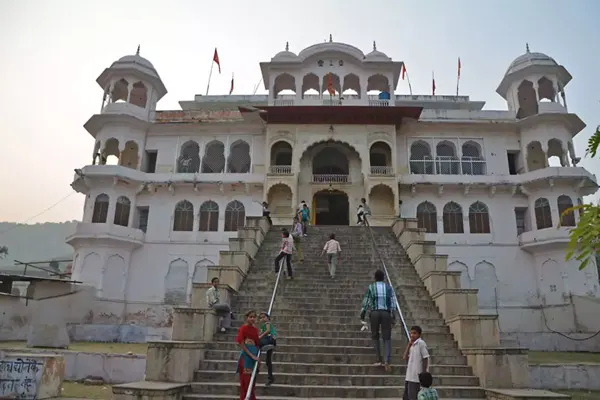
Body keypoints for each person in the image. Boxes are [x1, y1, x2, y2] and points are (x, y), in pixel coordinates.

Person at [360, 269, 397, 372]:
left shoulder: (371, 287)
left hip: (374, 313)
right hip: (386, 313)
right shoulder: (389, 287)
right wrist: (393, 315)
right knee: (387, 337)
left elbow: (366, 301)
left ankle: (378, 359)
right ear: (384, 277)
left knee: (375, 335)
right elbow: (393, 302)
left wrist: (362, 314)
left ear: (375, 278)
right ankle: (387, 360)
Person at [236, 310, 260, 400]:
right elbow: (241, 343)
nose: (252, 319)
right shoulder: (243, 328)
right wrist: (251, 355)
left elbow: (257, 343)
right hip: (246, 357)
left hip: (254, 356)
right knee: (246, 382)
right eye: (250, 317)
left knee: (252, 382)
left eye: (254, 317)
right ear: (247, 318)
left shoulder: (255, 330)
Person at [403, 325, 430, 400]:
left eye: (414, 333)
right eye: (411, 333)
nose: (412, 335)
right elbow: (405, 357)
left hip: (416, 377)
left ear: (419, 334)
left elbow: (425, 357)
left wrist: (424, 374)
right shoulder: (412, 345)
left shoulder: (421, 343)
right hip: (409, 376)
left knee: (413, 397)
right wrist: (409, 345)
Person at [258, 312, 277, 386]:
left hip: (270, 339)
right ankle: (270, 377)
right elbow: (261, 333)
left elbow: (268, 331)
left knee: (257, 343)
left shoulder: (267, 323)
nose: (263, 319)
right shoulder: (262, 326)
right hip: (269, 341)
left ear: (267, 318)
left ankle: (256, 368)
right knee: (268, 361)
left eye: (264, 317)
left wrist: (260, 336)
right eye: (261, 318)